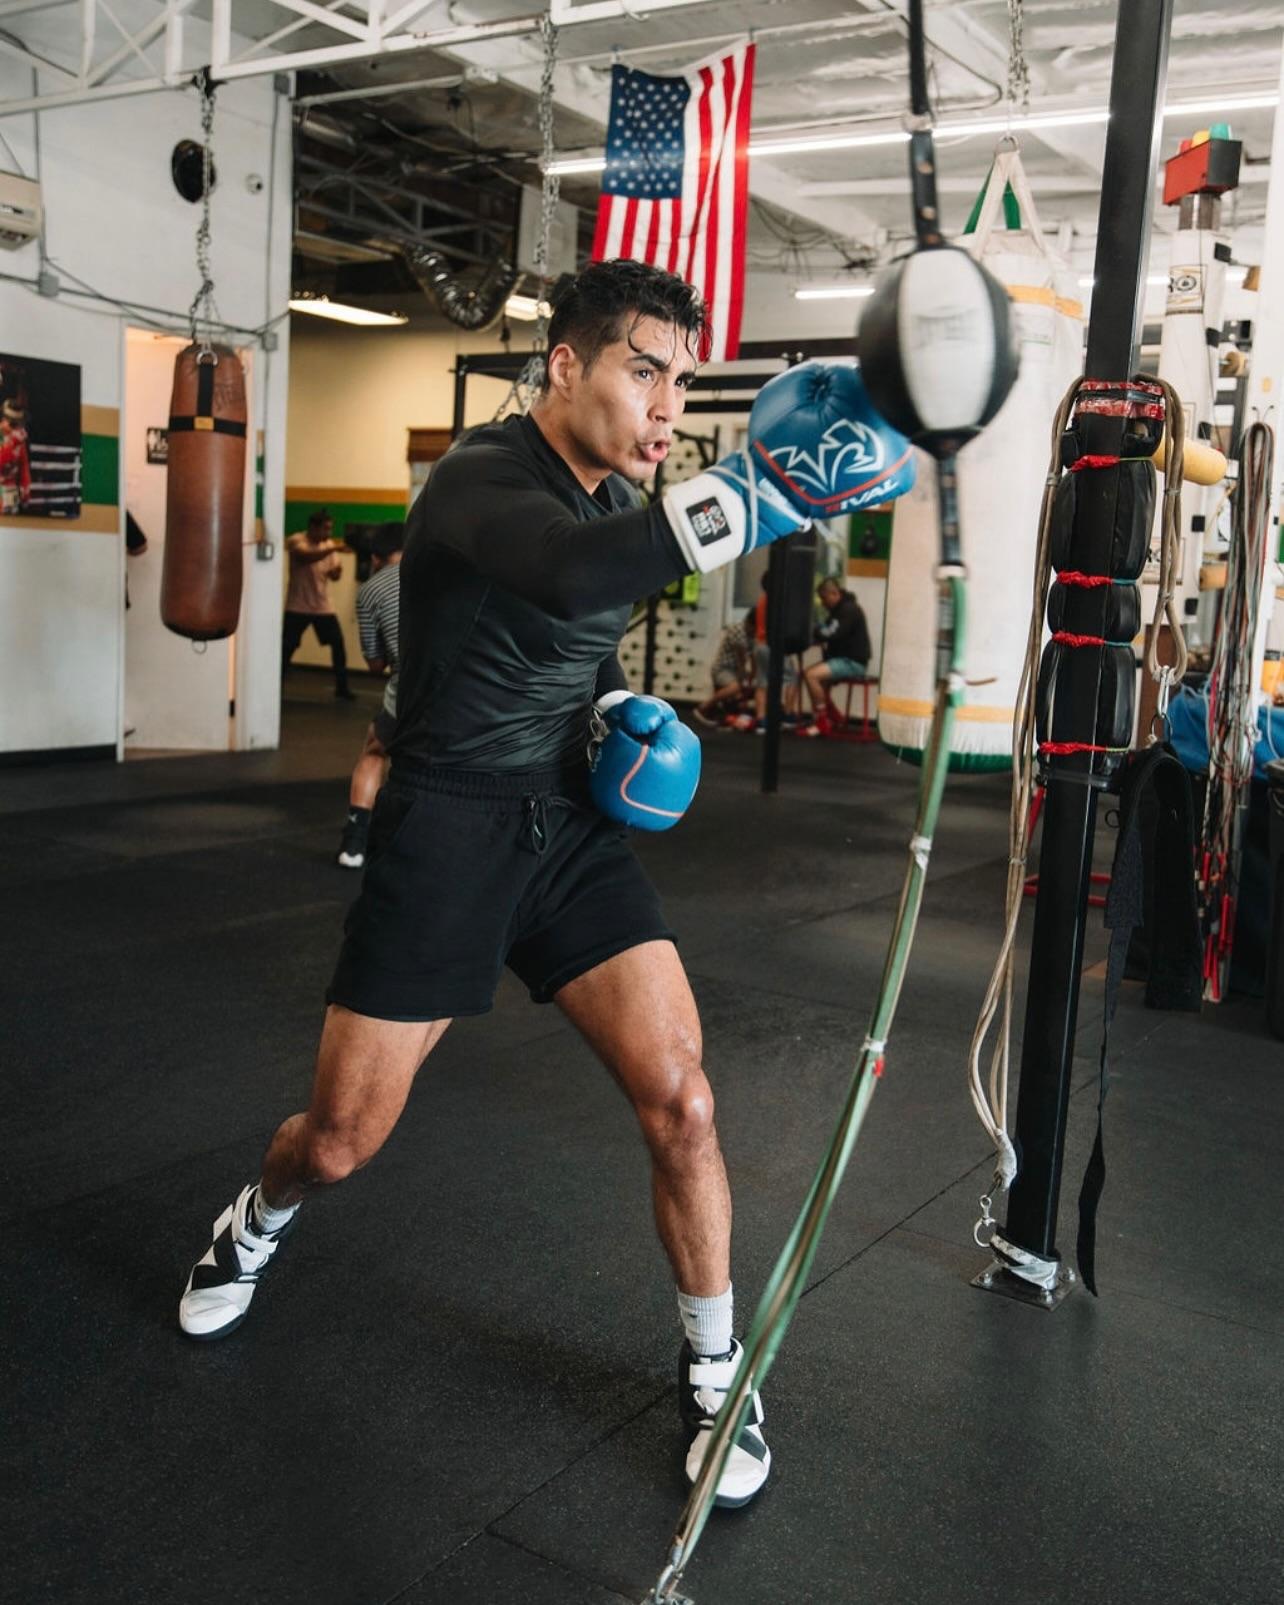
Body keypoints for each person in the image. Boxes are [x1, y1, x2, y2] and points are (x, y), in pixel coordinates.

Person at [178, 259, 913, 1510]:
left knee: (684, 1101)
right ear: (563, 366)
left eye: (683, 381)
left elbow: (567, 634)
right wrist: (769, 490)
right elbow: (570, 578)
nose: (669, 406)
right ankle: (255, 1215)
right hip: (445, 832)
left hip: (564, 826)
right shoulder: (480, 478)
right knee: (344, 1144)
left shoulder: (618, 489)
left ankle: (714, 1368)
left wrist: (611, 707)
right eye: (645, 371)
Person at [337, 522, 405, 869]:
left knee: (375, 749)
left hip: (405, 692)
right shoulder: (445, 576)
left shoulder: (369, 590)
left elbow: (375, 664)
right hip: (462, 695)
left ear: (376, 556)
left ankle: (354, 843)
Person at [282, 509, 354, 699]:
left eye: (330, 529)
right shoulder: (297, 541)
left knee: (338, 644)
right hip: (297, 605)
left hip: (322, 606)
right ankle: (275, 685)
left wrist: (337, 571)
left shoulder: (327, 545)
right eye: (325, 529)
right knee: (287, 647)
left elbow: (334, 575)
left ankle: (342, 688)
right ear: (313, 527)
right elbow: (306, 556)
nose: (328, 534)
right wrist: (335, 549)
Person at [801, 577, 872, 738]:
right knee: (819, 682)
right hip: (844, 659)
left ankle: (822, 721)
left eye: (825, 599)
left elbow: (830, 633)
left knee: (810, 675)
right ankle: (833, 717)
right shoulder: (839, 611)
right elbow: (827, 632)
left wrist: (816, 631)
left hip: (853, 663)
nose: (824, 603)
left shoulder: (848, 610)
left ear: (834, 593)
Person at [692, 611, 754, 728]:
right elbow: (741, 659)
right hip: (722, 669)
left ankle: (729, 713)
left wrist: (751, 678)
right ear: (750, 623)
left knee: (752, 686)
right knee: (736, 687)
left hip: (733, 671)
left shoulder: (751, 634)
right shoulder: (738, 631)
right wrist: (744, 680)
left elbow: (751, 658)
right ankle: (704, 707)